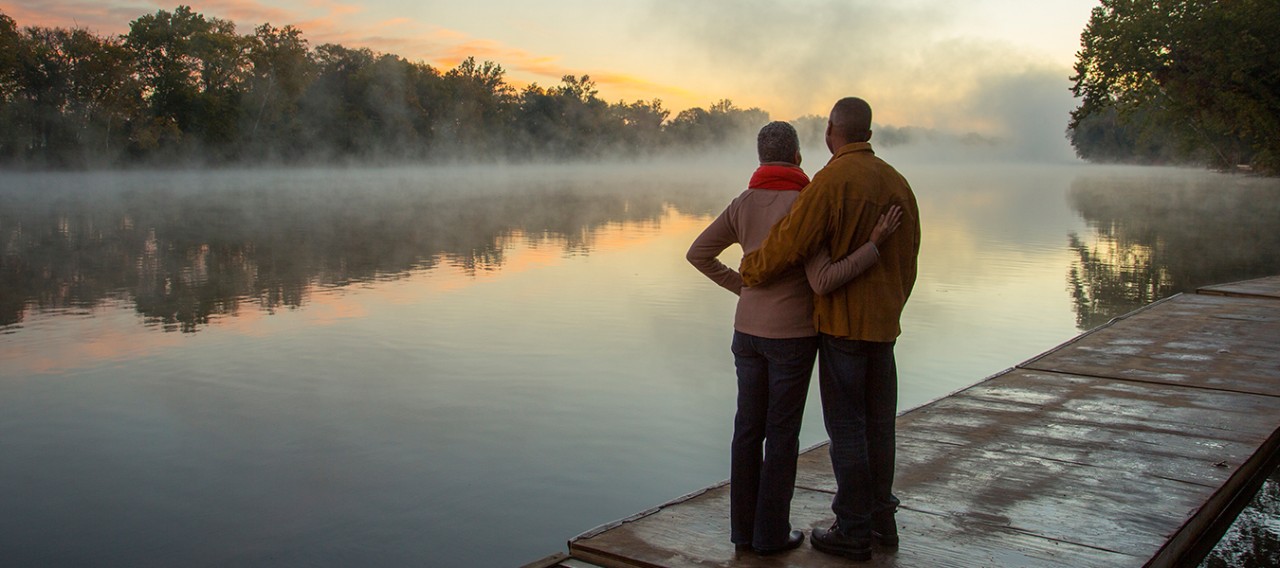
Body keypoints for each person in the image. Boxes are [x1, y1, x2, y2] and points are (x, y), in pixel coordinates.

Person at [686, 120, 902, 556]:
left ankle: (742, 533)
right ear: (799, 157)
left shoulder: (743, 203)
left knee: (747, 430)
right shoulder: (808, 203)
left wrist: (742, 288)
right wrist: (874, 246)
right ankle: (771, 534)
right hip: (793, 338)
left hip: (746, 333)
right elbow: (825, 278)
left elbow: (699, 254)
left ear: (761, 158)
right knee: (781, 434)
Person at [739, 98, 920, 562]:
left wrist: (752, 270)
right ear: (869, 132)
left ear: (830, 131)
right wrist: (892, 305)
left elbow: (790, 241)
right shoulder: (898, 184)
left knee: (847, 429)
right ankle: (883, 521)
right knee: (880, 426)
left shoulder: (831, 182)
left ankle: (853, 528)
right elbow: (910, 259)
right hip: (884, 327)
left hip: (843, 326)